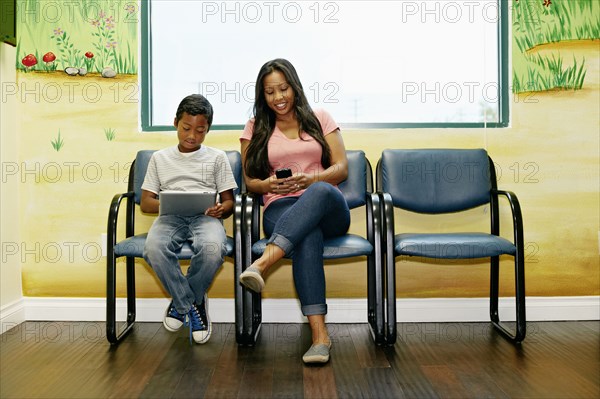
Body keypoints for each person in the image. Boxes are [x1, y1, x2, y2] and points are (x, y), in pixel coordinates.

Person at [239, 59, 350, 363]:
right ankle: (320, 338)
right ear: (262, 96)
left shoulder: (321, 117)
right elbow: (250, 182)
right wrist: (271, 186)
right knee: (306, 235)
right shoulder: (255, 128)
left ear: (294, 86)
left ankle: (262, 264)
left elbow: (341, 168)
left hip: (329, 206)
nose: (278, 97)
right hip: (282, 207)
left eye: (283, 88)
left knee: (320, 190)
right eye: (270, 92)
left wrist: (311, 179)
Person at [141, 94, 238, 344]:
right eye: (186, 128)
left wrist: (221, 209)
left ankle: (180, 304)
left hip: (205, 217)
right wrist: (170, 202)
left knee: (214, 248)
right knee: (153, 249)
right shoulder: (159, 158)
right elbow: (147, 201)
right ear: (175, 123)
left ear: (208, 130)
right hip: (169, 217)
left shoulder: (217, 158)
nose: (192, 135)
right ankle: (193, 305)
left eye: (200, 130)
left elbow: (229, 201)